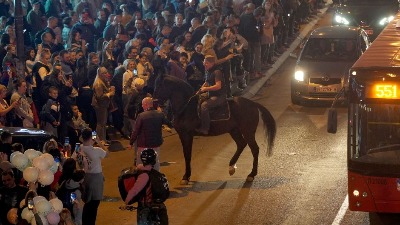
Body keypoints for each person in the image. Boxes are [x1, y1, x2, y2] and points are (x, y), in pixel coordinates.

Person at [72, 128, 108, 225]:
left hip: (84, 178)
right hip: (96, 179)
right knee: (94, 205)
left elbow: (73, 160)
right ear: (92, 137)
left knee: (87, 204)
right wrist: (99, 142)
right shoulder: (97, 150)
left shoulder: (78, 149)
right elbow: (107, 153)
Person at [124, 148, 168, 225]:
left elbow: (134, 190)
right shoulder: (158, 174)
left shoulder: (144, 175)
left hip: (146, 206)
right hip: (159, 205)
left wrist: (126, 202)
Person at [129, 97, 170, 171]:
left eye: (142, 104)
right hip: (156, 144)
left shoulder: (141, 116)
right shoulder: (160, 114)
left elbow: (136, 131)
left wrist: (131, 142)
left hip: (143, 144)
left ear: (146, 104)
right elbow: (169, 123)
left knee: (141, 163)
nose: (142, 106)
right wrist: (161, 112)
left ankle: (143, 179)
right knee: (155, 162)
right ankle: (156, 178)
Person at [196, 55, 226, 135]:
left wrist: (206, 89)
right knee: (196, 100)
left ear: (212, 63)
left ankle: (205, 128)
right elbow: (206, 82)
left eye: (206, 63)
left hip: (219, 96)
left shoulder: (217, 72)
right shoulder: (208, 70)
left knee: (204, 106)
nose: (204, 64)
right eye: (204, 62)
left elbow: (218, 86)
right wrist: (199, 91)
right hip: (211, 94)